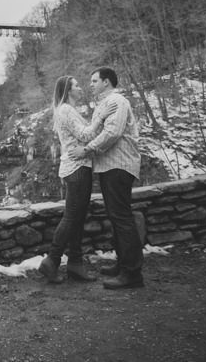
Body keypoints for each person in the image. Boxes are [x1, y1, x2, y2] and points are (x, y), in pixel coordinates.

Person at [67, 66, 144, 289]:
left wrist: (86, 150)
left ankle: (132, 273)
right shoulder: (105, 104)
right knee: (117, 216)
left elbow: (112, 133)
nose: (90, 84)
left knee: (121, 217)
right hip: (110, 166)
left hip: (119, 165)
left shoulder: (116, 101)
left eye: (94, 81)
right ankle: (123, 264)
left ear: (106, 82)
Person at [38, 76, 97, 283]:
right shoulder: (66, 110)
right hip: (77, 168)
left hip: (79, 167)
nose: (81, 88)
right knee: (72, 216)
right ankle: (52, 261)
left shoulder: (68, 110)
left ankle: (75, 264)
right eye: (77, 86)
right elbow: (85, 135)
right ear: (68, 90)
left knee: (77, 217)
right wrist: (100, 118)